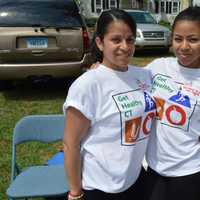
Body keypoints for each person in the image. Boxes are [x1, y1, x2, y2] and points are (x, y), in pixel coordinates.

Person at [63, 9, 156, 200]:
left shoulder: (144, 75)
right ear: (100, 42)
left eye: (130, 40)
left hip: (136, 178)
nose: (125, 46)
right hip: (102, 187)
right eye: (116, 40)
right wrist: (75, 193)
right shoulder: (88, 85)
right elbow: (70, 144)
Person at [145, 6, 200, 200]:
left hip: (190, 173)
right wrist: (100, 71)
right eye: (178, 39)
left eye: (193, 39)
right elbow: (126, 80)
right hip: (153, 169)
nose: (184, 46)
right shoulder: (158, 67)